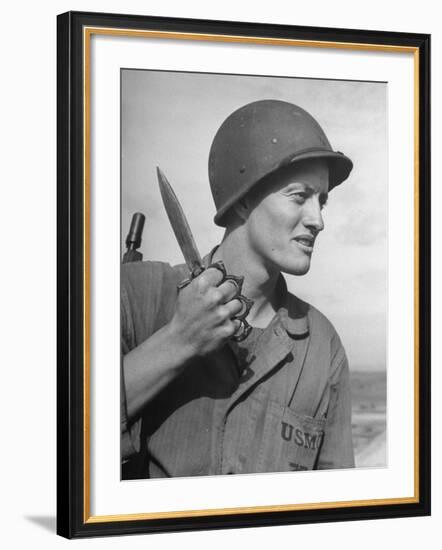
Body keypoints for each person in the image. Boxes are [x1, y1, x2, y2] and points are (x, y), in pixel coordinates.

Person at [121, 99, 355, 479]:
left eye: (322, 200)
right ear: (245, 200)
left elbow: (338, 502)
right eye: (300, 196)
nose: (318, 220)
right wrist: (180, 339)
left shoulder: (323, 347)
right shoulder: (138, 295)